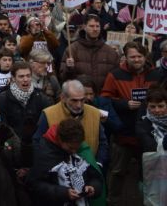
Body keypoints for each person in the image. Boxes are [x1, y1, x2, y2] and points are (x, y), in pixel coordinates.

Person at [102, 41, 164, 206]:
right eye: (133, 56)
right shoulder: (115, 75)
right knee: (117, 171)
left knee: (149, 172)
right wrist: (124, 104)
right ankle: (112, 201)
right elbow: (105, 99)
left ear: (145, 57)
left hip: (150, 134)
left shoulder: (156, 74)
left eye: (140, 56)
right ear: (125, 57)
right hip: (124, 132)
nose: (136, 59)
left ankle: (148, 201)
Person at [28, 119, 104, 206]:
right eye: (70, 148)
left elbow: (96, 178)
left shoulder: (81, 149)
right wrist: (63, 193)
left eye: (77, 148)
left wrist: (93, 187)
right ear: (60, 140)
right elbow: (35, 185)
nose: (74, 151)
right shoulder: (45, 152)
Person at [34, 80, 108, 166]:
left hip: (89, 170)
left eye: (82, 100)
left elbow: (103, 142)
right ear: (63, 98)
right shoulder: (49, 114)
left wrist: (98, 163)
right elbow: (38, 143)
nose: (79, 105)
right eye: (74, 101)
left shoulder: (94, 113)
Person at [0, 61, 51, 167]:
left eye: (28, 76)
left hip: (36, 149)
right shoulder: (3, 98)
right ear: (13, 78)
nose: (25, 79)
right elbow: (3, 127)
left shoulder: (41, 97)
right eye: (21, 76)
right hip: (13, 151)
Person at [60, 15, 119, 91]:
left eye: (97, 26)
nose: (95, 29)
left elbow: (116, 79)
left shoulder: (111, 52)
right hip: (80, 97)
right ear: (84, 27)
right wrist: (69, 69)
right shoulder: (72, 50)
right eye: (91, 26)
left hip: (103, 98)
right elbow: (63, 79)